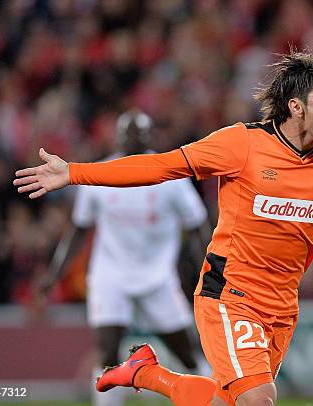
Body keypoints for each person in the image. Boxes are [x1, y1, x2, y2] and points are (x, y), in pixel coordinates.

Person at [14, 51, 313, 405]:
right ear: (296, 106)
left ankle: (144, 373)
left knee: (224, 400)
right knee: (259, 398)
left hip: (283, 303)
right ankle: (144, 372)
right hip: (231, 294)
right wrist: (75, 172)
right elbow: (159, 166)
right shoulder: (240, 145)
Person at [40, 109, 212, 406]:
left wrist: (208, 270)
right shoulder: (100, 174)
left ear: (149, 137)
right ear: (118, 138)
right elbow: (78, 232)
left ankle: (212, 395)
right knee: (107, 349)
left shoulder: (170, 176)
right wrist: (54, 274)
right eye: (128, 135)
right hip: (111, 275)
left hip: (158, 277)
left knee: (186, 351)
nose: (133, 140)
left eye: (139, 135)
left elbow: (198, 225)